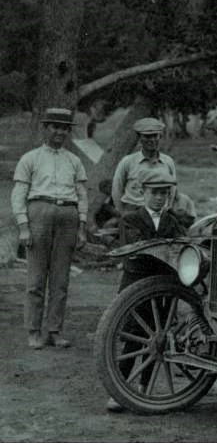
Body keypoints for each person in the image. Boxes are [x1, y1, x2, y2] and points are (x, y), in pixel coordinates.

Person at [107, 166, 186, 412]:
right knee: (134, 339)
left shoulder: (173, 221)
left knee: (157, 340)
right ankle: (119, 389)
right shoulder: (130, 220)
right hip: (136, 290)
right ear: (143, 193)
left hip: (162, 293)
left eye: (164, 193)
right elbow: (136, 253)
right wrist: (166, 249)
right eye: (155, 193)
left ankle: (144, 387)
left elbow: (182, 246)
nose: (160, 198)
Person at [11, 108, 88, 349]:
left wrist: (82, 226)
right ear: (45, 128)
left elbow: (82, 195)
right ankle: (34, 331)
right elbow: (19, 194)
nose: (60, 132)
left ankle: (54, 330)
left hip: (68, 216)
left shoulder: (74, 161)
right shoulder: (30, 158)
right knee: (35, 278)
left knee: (60, 279)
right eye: (55, 127)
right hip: (39, 214)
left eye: (64, 128)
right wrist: (24, 227)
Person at [111, 117, 176, 215]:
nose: (152, 140)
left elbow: (172, 189)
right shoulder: (128, 162)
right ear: (139, 138)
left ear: (160, 136)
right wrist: (123, 213)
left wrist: (167, 208)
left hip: (158, 213)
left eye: (155, 136)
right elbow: (117, 189)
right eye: (147, 136)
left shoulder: (168, 162)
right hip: (133, 211)